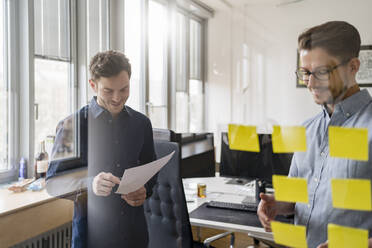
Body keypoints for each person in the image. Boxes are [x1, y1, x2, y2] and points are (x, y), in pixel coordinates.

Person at [257, 21, 372, 248]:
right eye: (305, 73)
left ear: (353, 67)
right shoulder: (307, 130)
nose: (310, 83)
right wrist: (278, 204)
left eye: (321, 72)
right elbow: (299, 196)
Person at [46, 50, 157, 248]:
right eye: (108, 91)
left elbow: (151, 173)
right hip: (92, 239)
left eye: (124, 89)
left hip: (135, 236)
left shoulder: (142, 124)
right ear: (93, 85)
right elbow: (54, 183)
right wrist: (91, 184)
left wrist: (145, 190)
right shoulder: (72, 127)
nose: (117, 98)